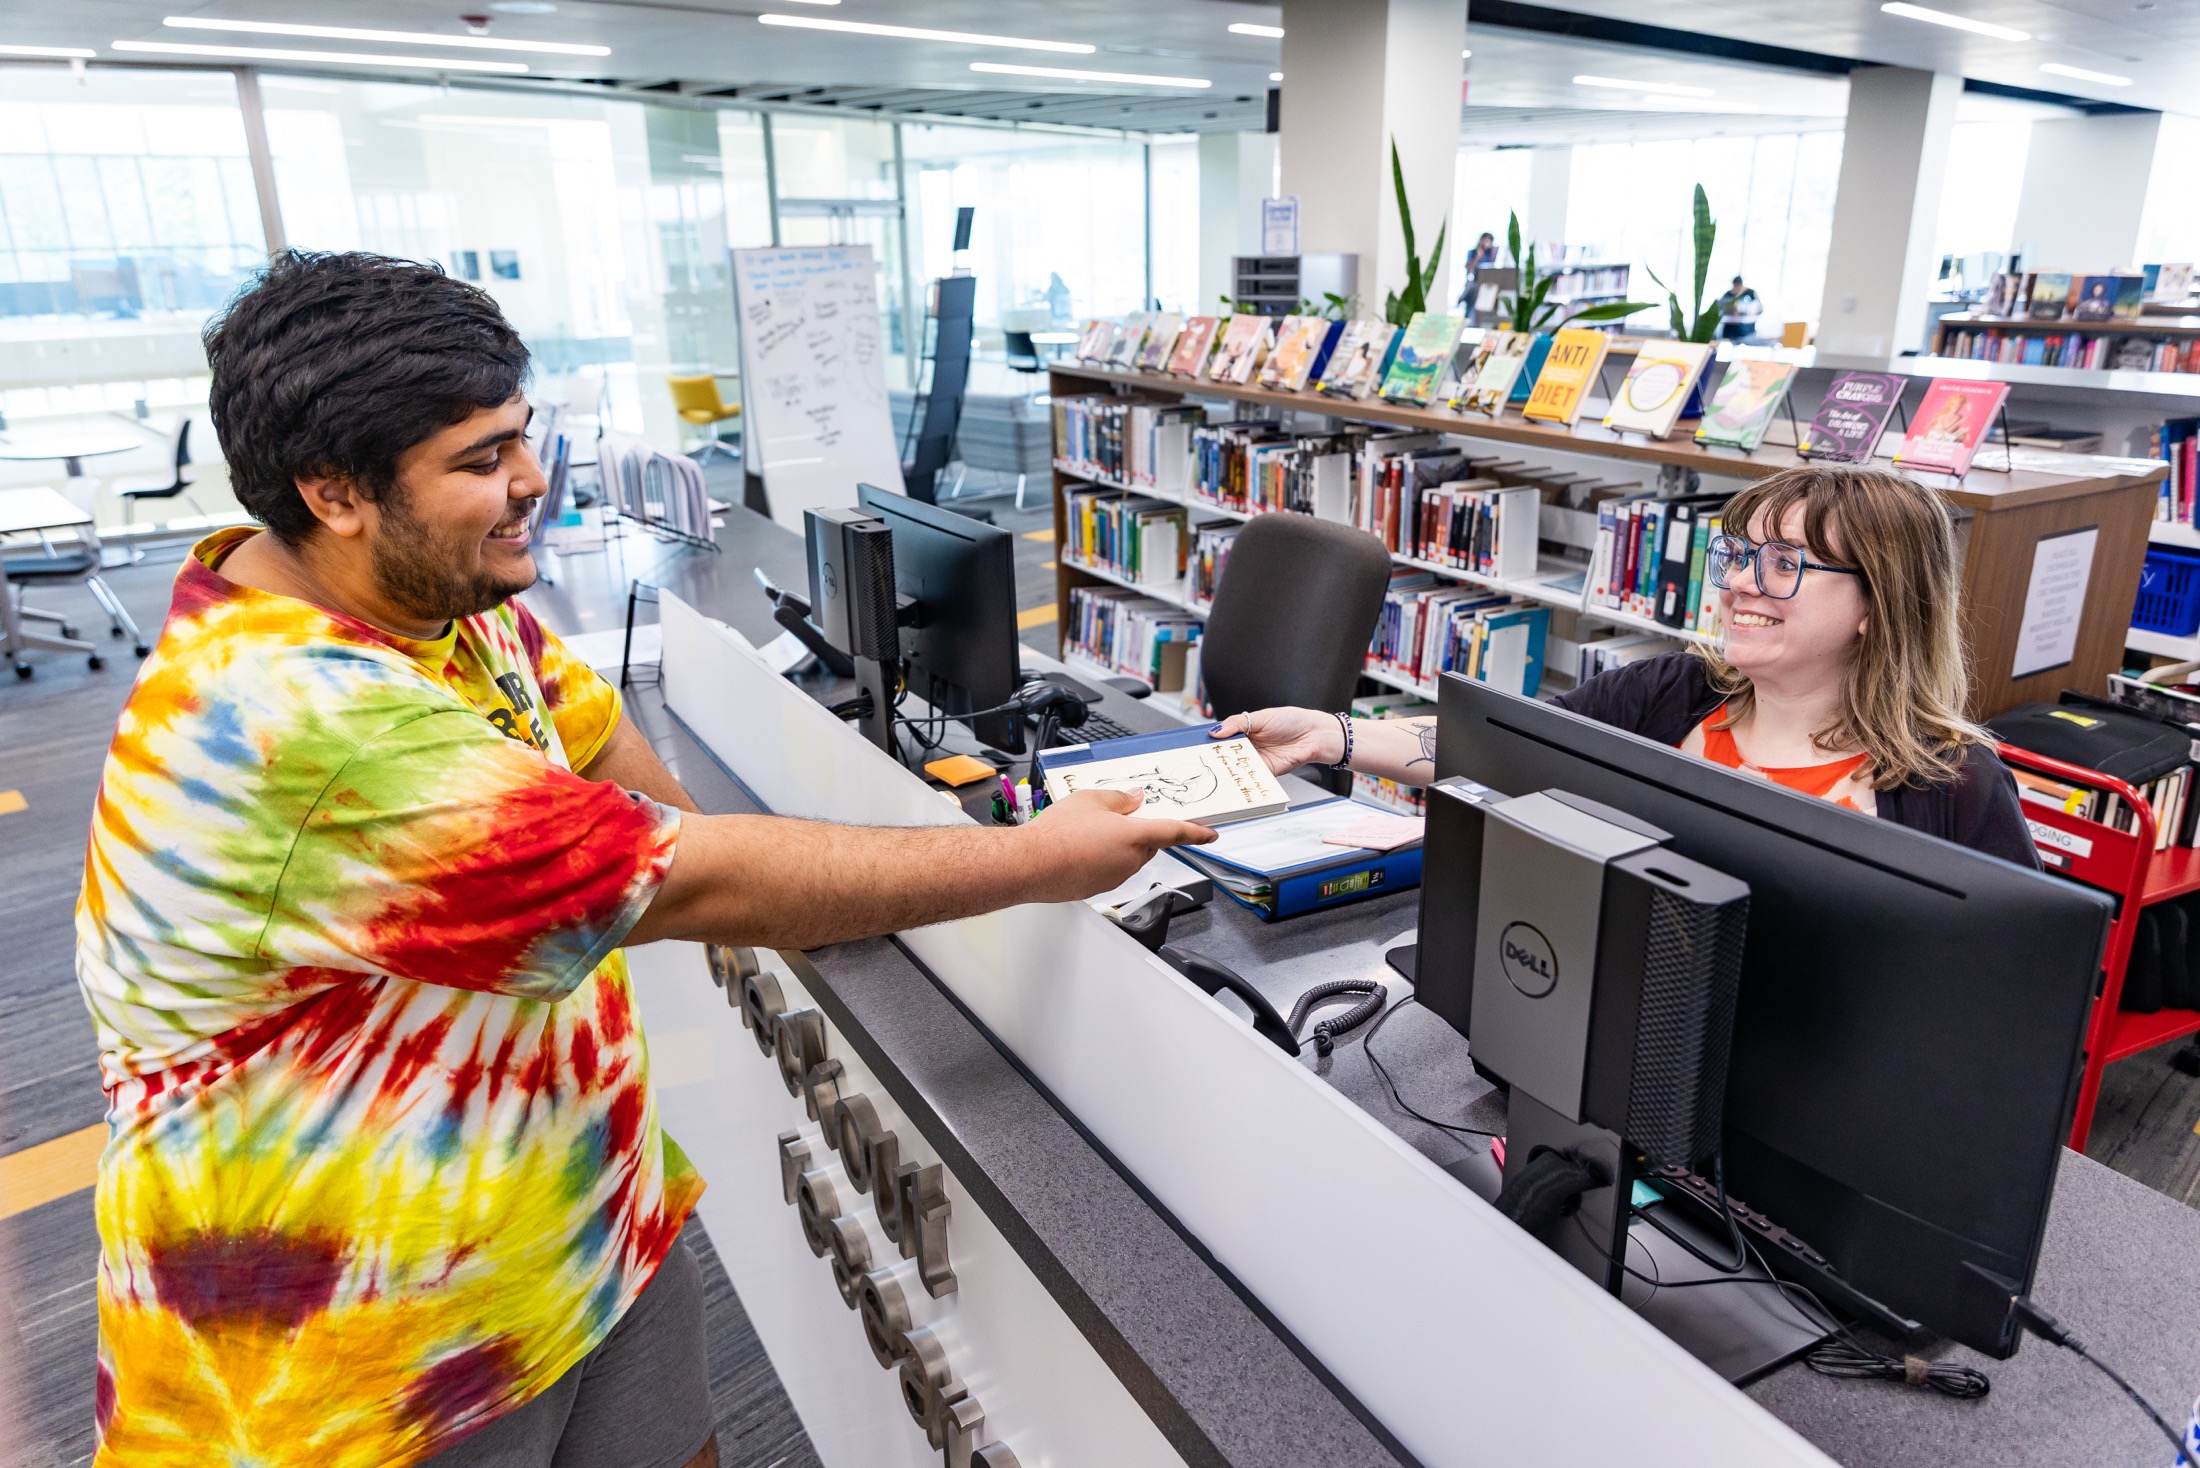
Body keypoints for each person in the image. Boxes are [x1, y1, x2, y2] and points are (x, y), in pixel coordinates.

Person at [75, 251, 1215, 1468]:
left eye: (523, 435)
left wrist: (710, 850)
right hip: (356, 1362)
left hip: (574, 1235)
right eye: (478, 461)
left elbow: (588, 730)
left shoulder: (425, 597)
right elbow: (691, 884)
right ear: (333, 490)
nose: (530, 483)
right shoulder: (288, 716)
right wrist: (1033, 859)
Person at [1212, 465, 2036, 867]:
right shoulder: (1670, 693)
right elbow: (1494, 745)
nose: (1743, 584)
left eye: (1786, 563)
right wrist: (1331, 735)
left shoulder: (1951, 787)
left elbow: (2003, 996)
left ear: (1877, 606)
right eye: (1739, 555)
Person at [1716, 275, 1762, 341]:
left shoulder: (1751, 293)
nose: (1736, 288)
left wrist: (1745, 310)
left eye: (1738, 286)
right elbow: (1720, 307)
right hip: (1730, 328)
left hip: (1746, 328)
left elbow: (1759, 308)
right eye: (1735, 286)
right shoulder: (1728, 294)